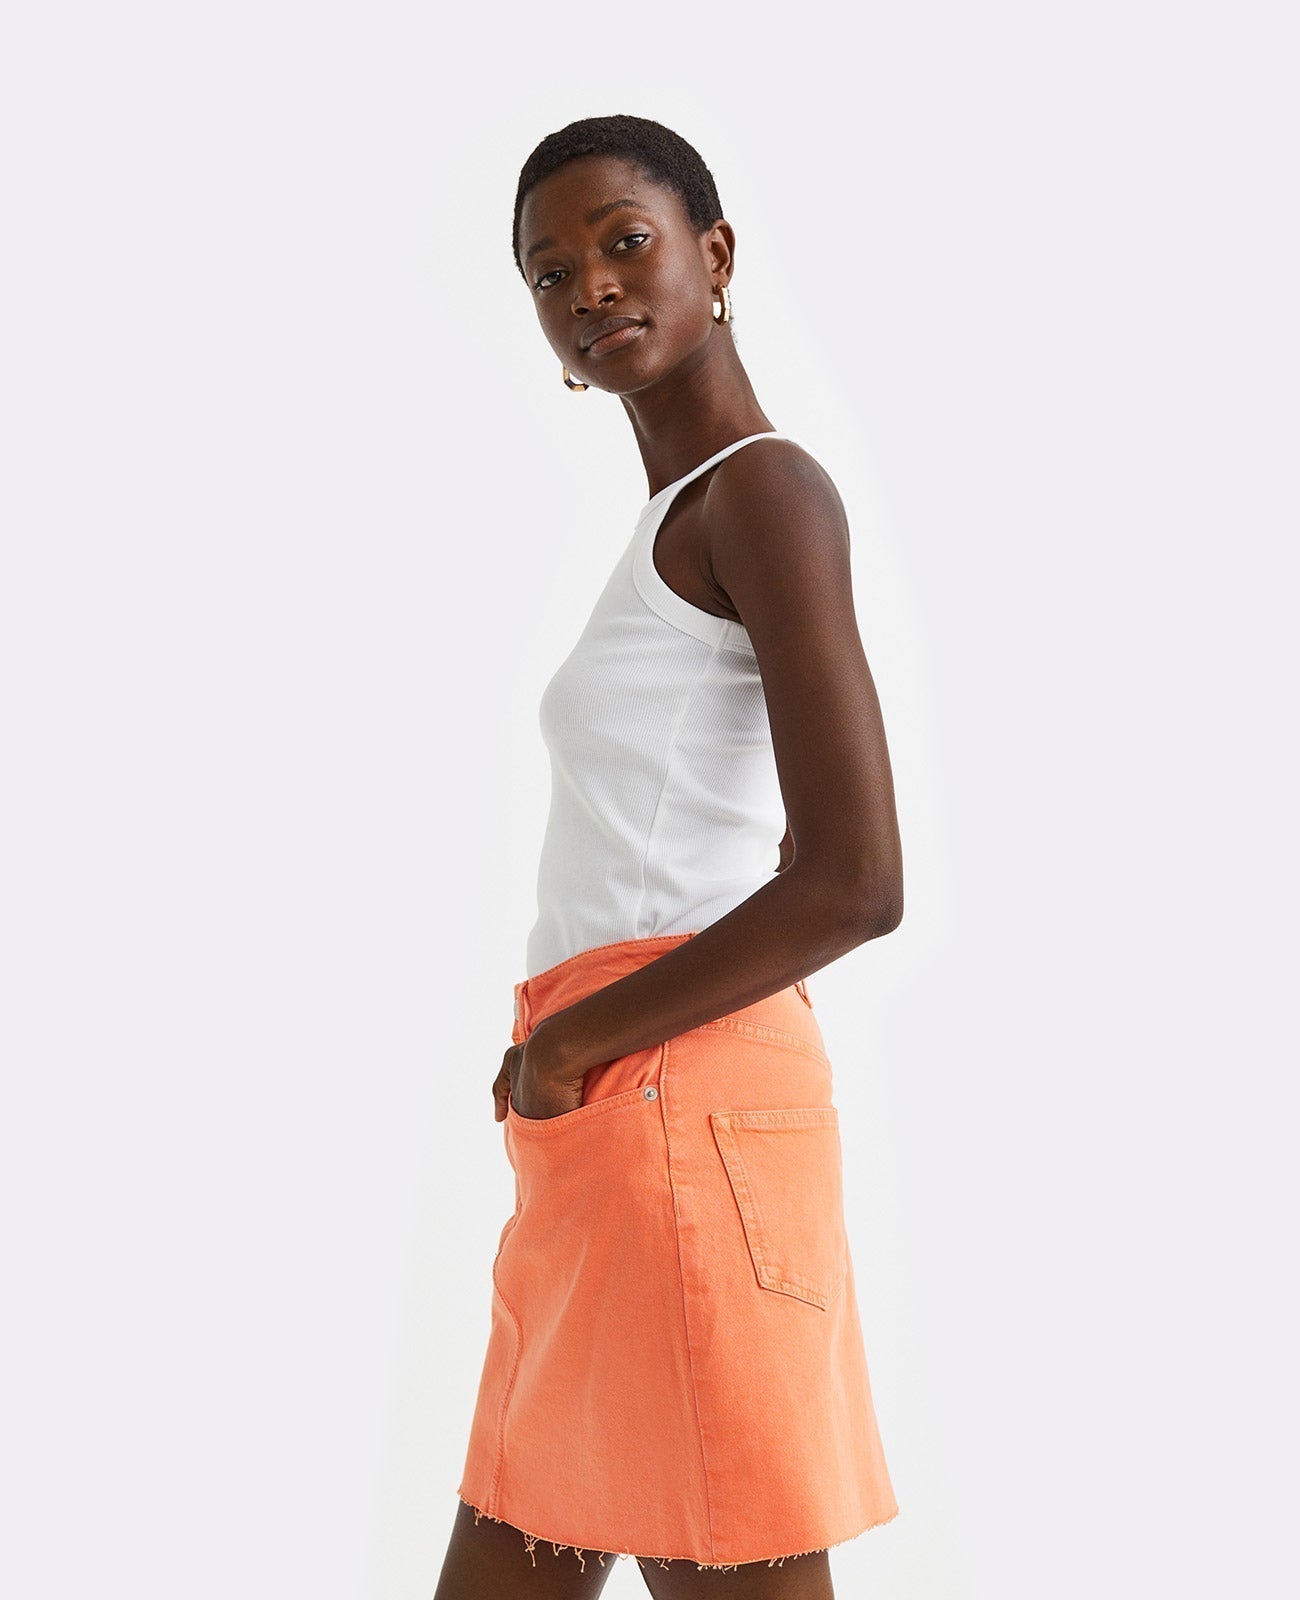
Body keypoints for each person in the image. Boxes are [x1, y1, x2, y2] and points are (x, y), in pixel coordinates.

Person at [435, 114, 904, 1600]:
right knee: (518, 1537)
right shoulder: (679, 520)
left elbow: (855, 878)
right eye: (548, 271)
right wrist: (561, 1056)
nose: (588, 286)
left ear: (715, 252)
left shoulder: (765, 493)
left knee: (720, 1551)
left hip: (671, 1092)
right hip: (612, 1111)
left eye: (624, 241)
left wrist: (576, 1041)